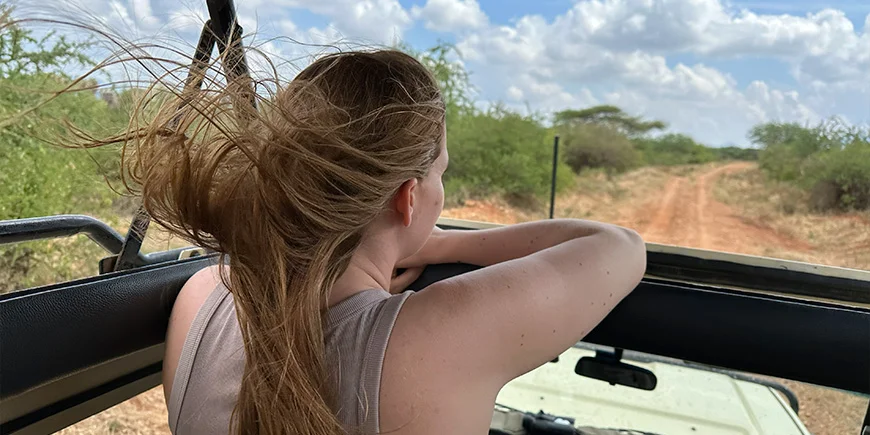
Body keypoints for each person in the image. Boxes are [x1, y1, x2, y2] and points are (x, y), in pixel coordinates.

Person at [131, 49, 646, 434]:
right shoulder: (441, 335)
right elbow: (619, 246)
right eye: (440, 172)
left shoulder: (201, 297)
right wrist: (443, 246)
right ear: (409, 199)